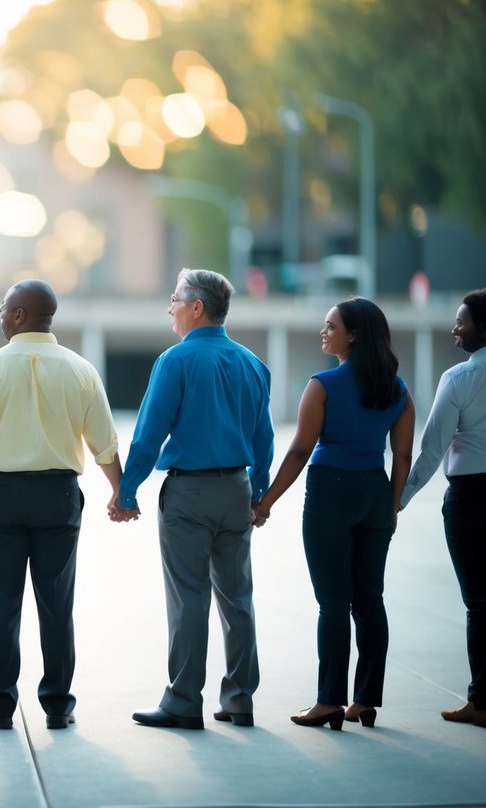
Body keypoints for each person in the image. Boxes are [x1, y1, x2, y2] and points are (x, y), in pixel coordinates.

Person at [0, 279, 123, 731]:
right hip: (59, 498)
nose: (0, 315)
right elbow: (104, 443)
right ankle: (59, 706)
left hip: (1, 497)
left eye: (4, 308)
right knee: (57, 605)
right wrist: (121, 491)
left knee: (2, 607)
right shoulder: (80, 369)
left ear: (19, 315)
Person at [118, 268, 273, 730]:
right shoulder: (252, 363)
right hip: (237, 490)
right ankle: (240, 699)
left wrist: (127, 491)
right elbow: (263, 437)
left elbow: (149, 434)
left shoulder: (175, 361)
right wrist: (259, 492)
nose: (170, 306)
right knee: (238, 597)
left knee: (189, 598)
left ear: (197, 307)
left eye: (175, 298)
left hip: (189, 493)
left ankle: (184, 701)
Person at [255, 297, 414, 731]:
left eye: (331, 326)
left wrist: (265, 502)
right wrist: (392, 503)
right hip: (374, 494)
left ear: (354, 334)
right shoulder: (397, 389)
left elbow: (301, 450)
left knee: (333, 602)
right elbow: (402, 454)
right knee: (370, 601)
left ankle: (328, 702)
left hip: (330, 493)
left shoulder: (322, 384)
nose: (324, 332)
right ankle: (365, 700)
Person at [399, 289, 486, 727]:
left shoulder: (459, 379)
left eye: (462, 321)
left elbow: (432, 451)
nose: (455, 328)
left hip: (471, 502)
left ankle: (482, 701)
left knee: (480, 604)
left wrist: (398, 499)